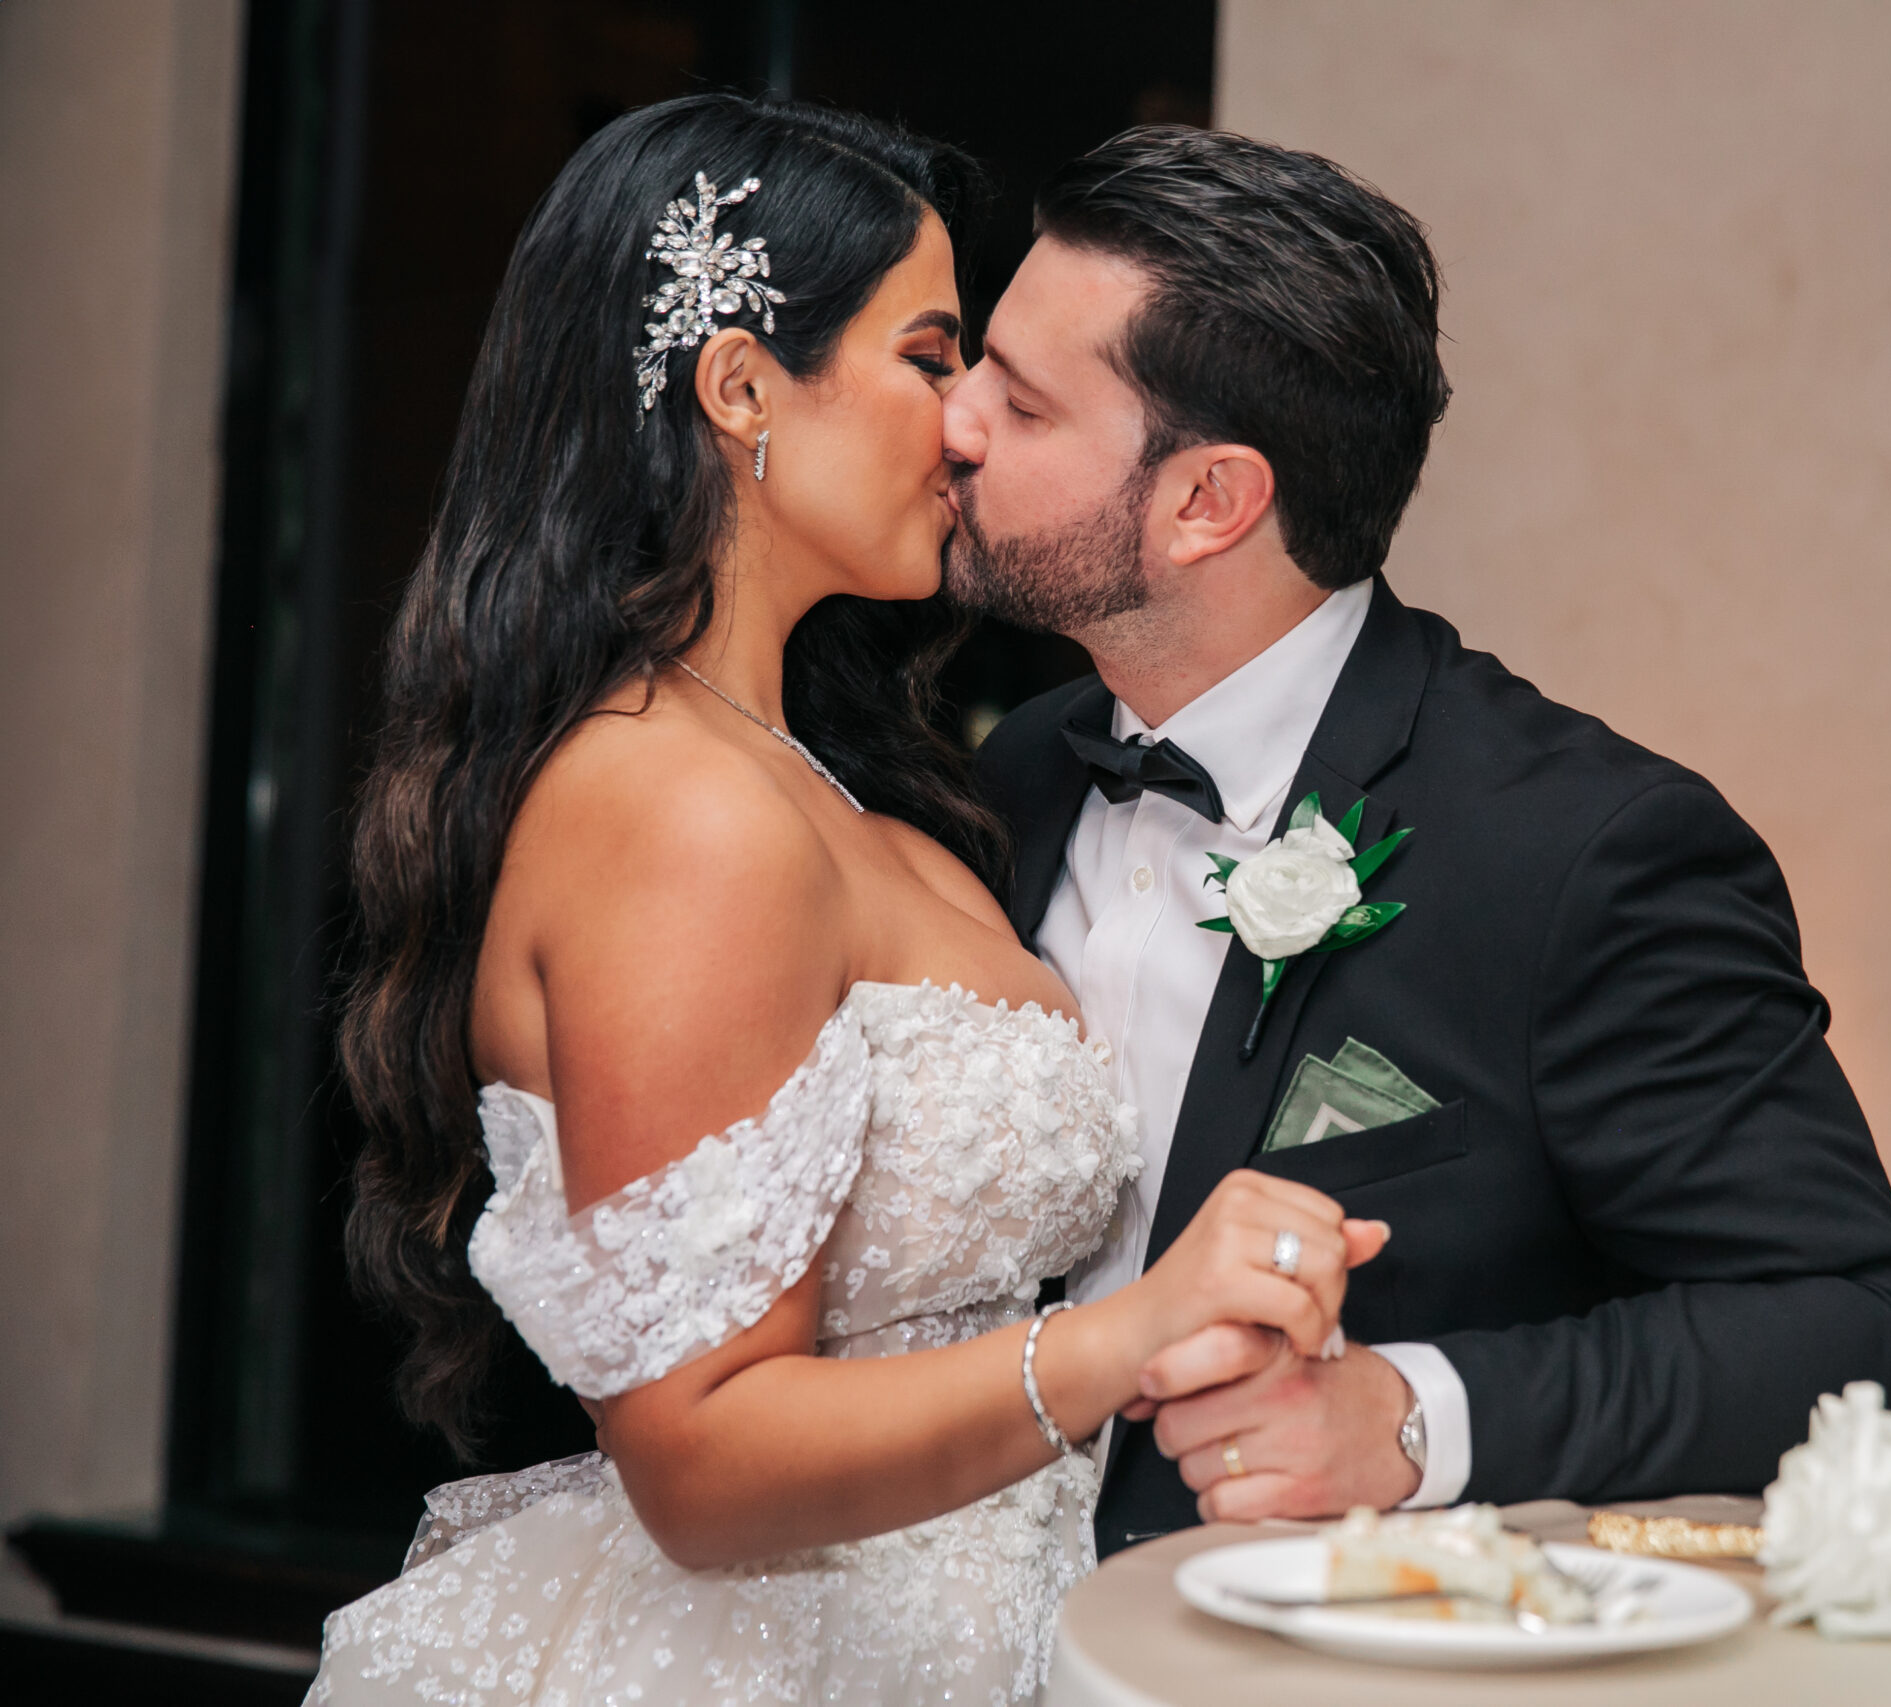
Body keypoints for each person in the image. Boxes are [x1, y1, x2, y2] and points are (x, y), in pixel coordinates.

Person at [307, 96, 1380, 1706]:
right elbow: (699, 1460)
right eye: (932, 358)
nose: (967, 426)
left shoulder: (842, 784)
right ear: (741, 387)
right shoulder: (679, 811)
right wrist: (1130, 1335)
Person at [954, 127, 1891, 1555]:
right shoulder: (1020, 774)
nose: (955, 422)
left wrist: (1414, 1418)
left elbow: (1858, 1330)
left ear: (1207, 503)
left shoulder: (1583, 854)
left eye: (1022, 402)